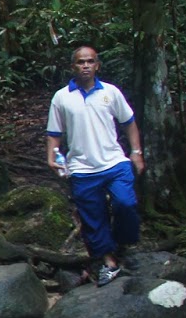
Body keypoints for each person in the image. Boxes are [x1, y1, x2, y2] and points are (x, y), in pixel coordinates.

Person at [46, 45, 145, 286]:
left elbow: (129, 122)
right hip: (81, 167)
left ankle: (121, 243)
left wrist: (136, 152)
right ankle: (109, 261)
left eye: (90, 61)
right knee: (93, 217)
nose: (86, 65)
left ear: (97, 65)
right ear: (73, 66)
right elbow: (54, 133)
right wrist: (52, 157)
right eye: (81, 62)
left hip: (114, 162)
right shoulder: (62, 97)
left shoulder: (110, 93)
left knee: (126, 203)